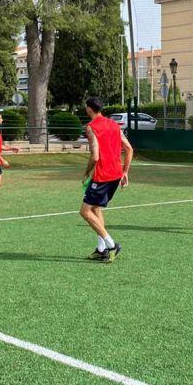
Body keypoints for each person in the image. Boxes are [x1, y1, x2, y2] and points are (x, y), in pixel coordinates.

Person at [81, 96, 133, 262]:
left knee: (85, 211)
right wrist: (125, 172)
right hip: (116, 175)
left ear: (89, 108)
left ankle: (111, 245)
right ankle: (101, 249)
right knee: (96, 209)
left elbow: (95, 156)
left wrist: (86, 172)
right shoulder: (113, 124)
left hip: (102, 176)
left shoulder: (91, 127)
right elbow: (129, 149)